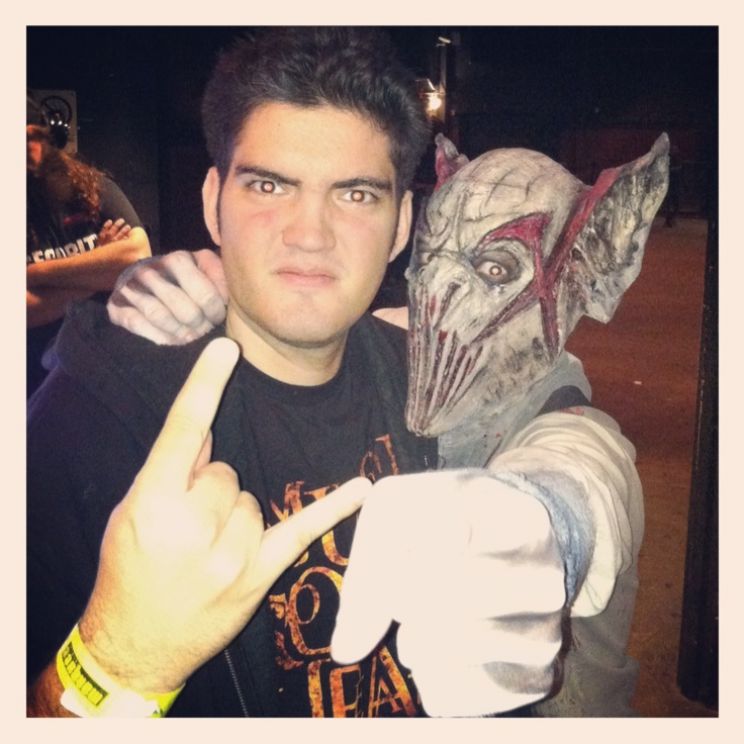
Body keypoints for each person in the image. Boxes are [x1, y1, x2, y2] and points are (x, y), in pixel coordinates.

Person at [27, 28, 642, 718]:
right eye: (268, 185)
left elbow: (567, 415)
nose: (309, 233)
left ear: (403, 225)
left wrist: (558, 513)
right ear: (212, 202)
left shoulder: (427, 371)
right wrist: (118, 663)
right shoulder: (91, 422)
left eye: (355, 195)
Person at [26, 95, 151, 396]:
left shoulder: (92, 188)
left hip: (111, 369)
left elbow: (137, 255)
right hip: (37, 385)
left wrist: (34, 274)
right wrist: (100, 271)